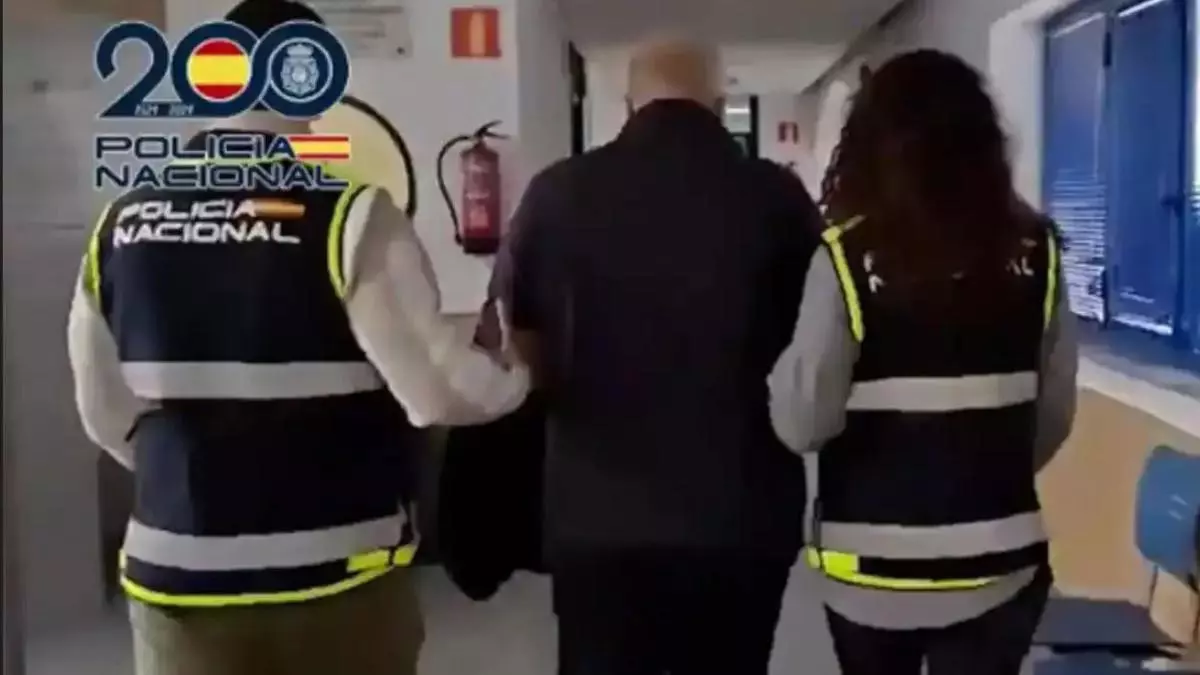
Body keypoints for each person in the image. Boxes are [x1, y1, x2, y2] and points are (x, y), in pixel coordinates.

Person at [66, 1, 529, 673]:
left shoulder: (120, 223)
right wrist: (514, 371)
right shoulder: (349, 215)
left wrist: (194, 474)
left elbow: (103, 412)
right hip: (335, 573)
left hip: (177, 573)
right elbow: (437, 392)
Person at [497, 36, 823, 675]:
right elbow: (814, 341)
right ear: (720, 104)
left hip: (596, 515)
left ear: (627, 104)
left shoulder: (557, 194)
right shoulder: (777, 198)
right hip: (742, 514)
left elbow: (518, 342)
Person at [767, 49, 1077, 675]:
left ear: (871, 146)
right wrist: (979, 470)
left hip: (870, 572)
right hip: (1000, 564)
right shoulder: (1036, 252)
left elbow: (804, 423)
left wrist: (778, 376)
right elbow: (1053, 415)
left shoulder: (847, 259)